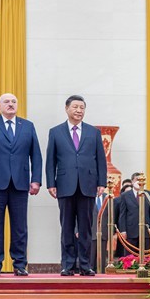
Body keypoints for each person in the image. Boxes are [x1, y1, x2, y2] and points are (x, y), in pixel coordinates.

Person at [0, 93, 43, 276]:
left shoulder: (28, 126)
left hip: (20, 184)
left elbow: (36, 155)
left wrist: (36, 180)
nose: (10, 104)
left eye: (13, 101)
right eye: (6, 101)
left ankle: (20, 264)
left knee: (20, 227)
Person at [46, 95, 107, 276]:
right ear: (67, 108)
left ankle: (85, 265)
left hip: (88, 185)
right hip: (65, 184)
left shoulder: (93, 132)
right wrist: (51, 183)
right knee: (66, 227)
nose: (79, 110)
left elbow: (101, 159)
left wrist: (101, 182)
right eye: (75, 107)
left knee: (85, 227)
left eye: (82, 107)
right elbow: (50, 160)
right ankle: (68, 265)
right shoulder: (55, 132)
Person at [116, 173, 150, 258]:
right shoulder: (125, 195)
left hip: (145, 230)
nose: (139, 182)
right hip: (130, 230)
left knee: (145, 256)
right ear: (132, 181)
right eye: (137, 180)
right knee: (130, 257)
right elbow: (122, 214)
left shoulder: (149, 194)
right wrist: (123, 230)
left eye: (141, 180)